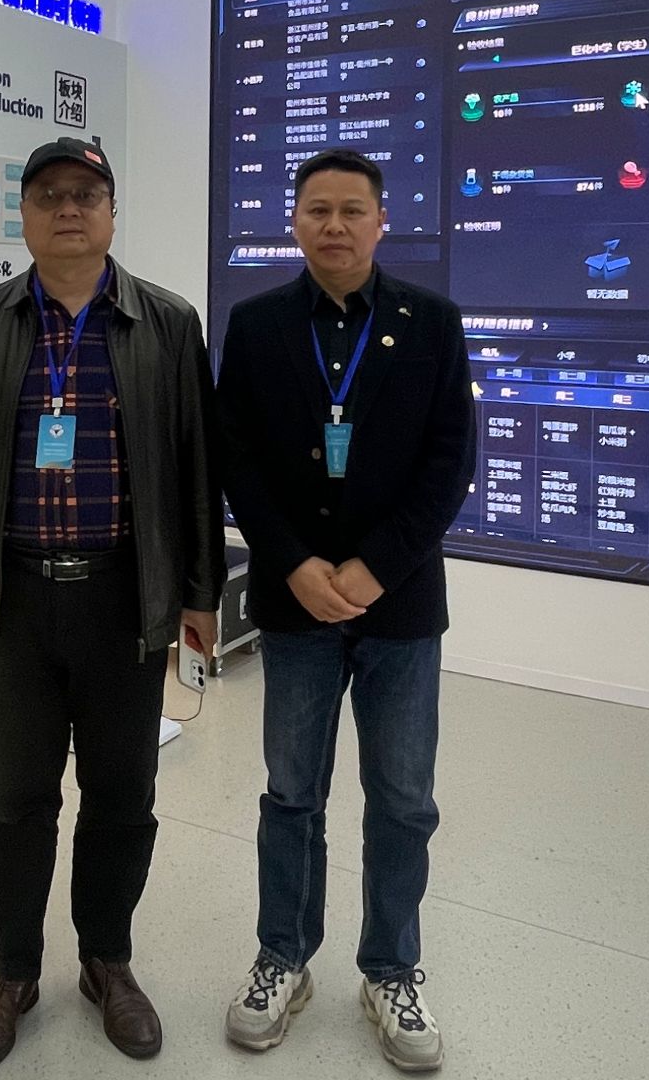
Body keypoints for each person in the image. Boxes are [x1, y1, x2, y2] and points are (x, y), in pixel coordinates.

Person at [0, 135, 223, 1074]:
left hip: (124, 598)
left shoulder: (167, 323)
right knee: (17, 798)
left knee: (123, 795)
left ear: (112, 213)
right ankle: (12, 973)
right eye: (48, 195)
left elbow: (196, 467)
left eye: (86, 195)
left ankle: (106, 962)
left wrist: (200, 593)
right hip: (11, 601)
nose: (67, 209)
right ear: (23, 216)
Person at [214, 148, 476, 1072]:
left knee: (402, 800)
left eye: (351, 210)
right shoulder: (257, 324)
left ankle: (390, 969)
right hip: (295, 609)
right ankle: (283, 958)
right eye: (317, 209)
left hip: (399, 607)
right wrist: (293, 564)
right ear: (294, 221)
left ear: (380, 221)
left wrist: (374, 568)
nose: (334, 225)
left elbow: (451, 461)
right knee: (292, 793)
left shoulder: (432, 322)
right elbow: (236, 456)